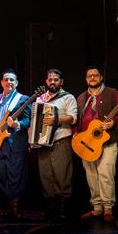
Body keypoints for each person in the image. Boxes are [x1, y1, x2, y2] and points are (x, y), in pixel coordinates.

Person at [75, 66, 118, 222]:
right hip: (87, 143)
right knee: (91, 175)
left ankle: (108, 208)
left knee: (106, 174)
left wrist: (113, 122)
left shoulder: (113, 93)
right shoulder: (81, 97)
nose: (92, 78)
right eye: (89, 76)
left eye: (95, 75)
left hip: (107, 142)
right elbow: (77, 119)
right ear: (86, 79)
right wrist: (76, 134)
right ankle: (97, 208)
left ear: (101, 77)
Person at [35, 69, 77, 220]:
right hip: (43, 144)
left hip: (61, 141)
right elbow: (35, 120)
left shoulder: (68, 97)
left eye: (56, 79)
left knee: (62, 175)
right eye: (50, 79)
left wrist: (56, 119)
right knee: (46, 176)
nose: (53, 82)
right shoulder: (40, 98)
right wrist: (32, 139)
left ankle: (62, 210)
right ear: (46, 81)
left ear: (61, 82)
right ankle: (50, 210)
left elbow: (73, 118)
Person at [0, 70, 30, 219]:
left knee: (15, 174)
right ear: (2, 82)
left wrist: (17, 124)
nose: (9, 82)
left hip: (14, 142)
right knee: (1, 173)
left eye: (12, 80)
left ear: (16, 83)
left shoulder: (23, 99)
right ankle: (4, 206)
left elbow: (28, 120)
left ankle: (14, 208)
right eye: (6, 79)